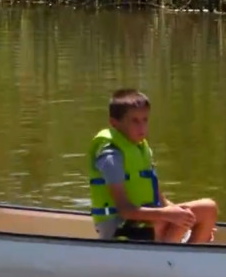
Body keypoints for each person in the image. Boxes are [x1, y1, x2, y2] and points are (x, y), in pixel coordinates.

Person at [88, 88, 218, 243]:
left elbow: (160, 200)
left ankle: (181, 256)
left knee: (207, 208)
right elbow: (125, 210)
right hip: (117, 227)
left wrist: (186, 220)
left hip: (145, 221)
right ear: (114, 123)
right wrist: (167, 215)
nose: (142, 127)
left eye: (145, 120)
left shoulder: (141, 150)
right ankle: (168, 259)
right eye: (134, 121)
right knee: (163, 219)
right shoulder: (111, 156)